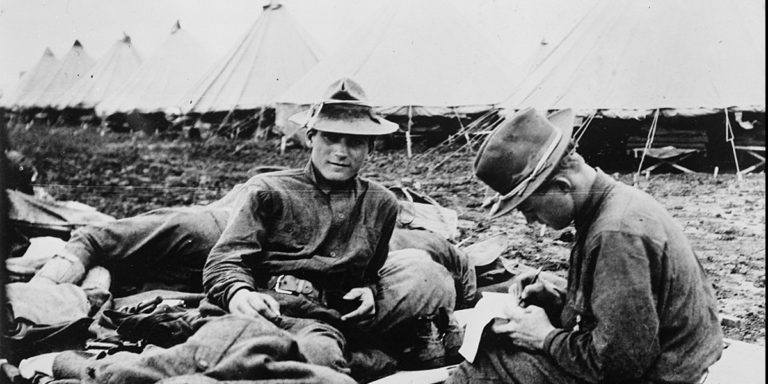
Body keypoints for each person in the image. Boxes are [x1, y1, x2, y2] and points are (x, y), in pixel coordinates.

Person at [197, 78, 461, 375]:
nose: (340, 151)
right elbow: (225, 260)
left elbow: (371, 270)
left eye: (355, 142)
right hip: (269, 308)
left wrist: (368, 289)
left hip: (331, 318)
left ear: (370, 147)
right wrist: (238, 293)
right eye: (331, 138)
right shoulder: (269, 190)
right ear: (311, 137)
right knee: (307, 361)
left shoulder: (381, 203)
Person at [447, 108, 723, 384]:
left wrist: (545, 337)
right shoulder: (610, 205)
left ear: (563, 185)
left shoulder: (616, 233)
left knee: (487, 365)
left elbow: (619, 365)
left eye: (528, 207)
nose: (530, 220)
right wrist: (561, 302)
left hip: (665, 373)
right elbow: (624, 313)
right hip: (667, 357)